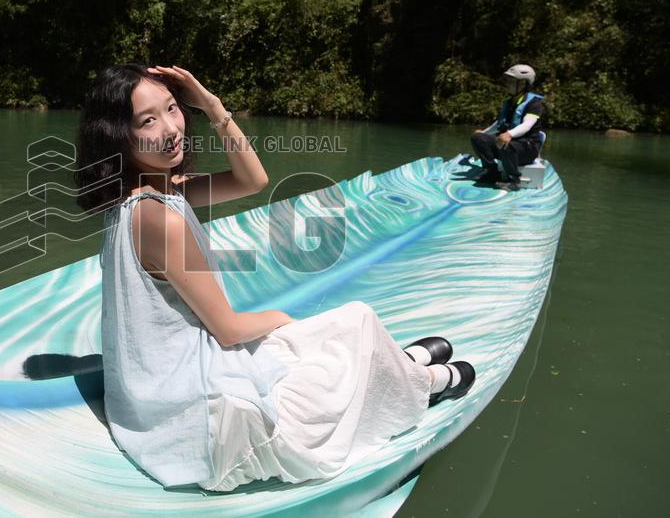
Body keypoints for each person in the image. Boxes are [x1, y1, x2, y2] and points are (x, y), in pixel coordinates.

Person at [75, 64, 475, 492]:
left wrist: (212, 106)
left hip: (159, 390)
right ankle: (423, 381)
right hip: (206, 416)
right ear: (119, 136)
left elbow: (253, 180)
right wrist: (282, 317)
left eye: (173, 108)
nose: (172, 128)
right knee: (350, 322)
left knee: (330, 338)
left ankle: (401, 364)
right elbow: (227, 330)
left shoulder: (149, 193)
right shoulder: (160, 217)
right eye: (148, 120)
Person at [470, 64, 546, 190]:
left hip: (527, 149)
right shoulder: (510, 102)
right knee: (477, 138)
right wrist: (483, 133)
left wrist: (509, 134)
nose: (507, 84)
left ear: (522, 84)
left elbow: (527, 125)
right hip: (508, 146)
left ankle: (514, 181)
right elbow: (499, 124)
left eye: (511, 81)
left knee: (507, 144)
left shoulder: (534, 104)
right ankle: (492, 172)